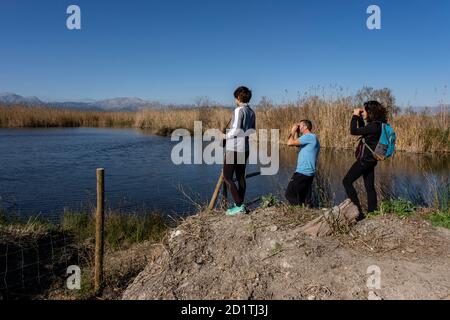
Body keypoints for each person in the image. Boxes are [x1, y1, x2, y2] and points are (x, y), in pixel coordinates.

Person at [342, 100, 387, 220]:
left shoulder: (373, 126)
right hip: (371, 160)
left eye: (365, 110)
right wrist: (360, 118)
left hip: (364, 160)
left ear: (370, 112)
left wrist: (355, 115)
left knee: (346, 182)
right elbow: (363, 130)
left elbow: (353, 131)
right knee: (369, 186)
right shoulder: (378, 125)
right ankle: (372, 211)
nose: (363, 112)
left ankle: (357, 211)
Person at [223, 86, 256, 216]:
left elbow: (236, 130)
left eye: (235, 98)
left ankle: (238, 205)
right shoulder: (252, 112)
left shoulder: (238, 110)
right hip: (245, 148)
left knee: (227, 177)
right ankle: (240, 204)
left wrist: (224, 136)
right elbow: (252, 130)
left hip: (234, 148)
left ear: (238, 97)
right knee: (241, 177)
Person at [285, 120, 320, 206]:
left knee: (289, 194)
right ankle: (306, 210)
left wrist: (292, 131)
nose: (298, 127)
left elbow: (289, 143)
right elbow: (297, 144)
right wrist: (297, 132)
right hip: (308, 173)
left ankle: (298, 210)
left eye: (300, 126)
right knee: (304, 198)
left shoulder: (309, 137)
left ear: (305, 127)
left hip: (303, 172)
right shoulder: (311, 138)